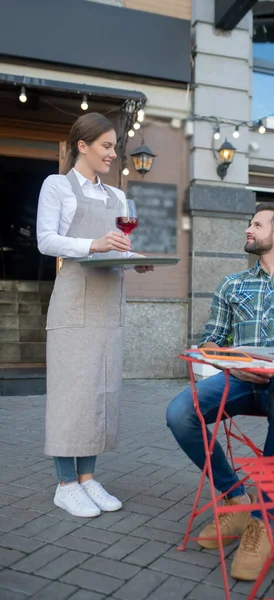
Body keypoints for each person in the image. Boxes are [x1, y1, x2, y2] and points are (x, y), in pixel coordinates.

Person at [167, 202, 274, 581]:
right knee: (180, 412)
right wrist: (236, 364)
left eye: (256, 224)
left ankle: (261, 519)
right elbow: (209, 342)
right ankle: (236, 496)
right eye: (248, 223)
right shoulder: (232, 284)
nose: (248, 229)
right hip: (239, 380)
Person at [37, 112, 153, 518]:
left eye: (114, 146)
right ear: (82, 146)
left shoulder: (118, 197)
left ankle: (88, 478)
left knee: (102, 392)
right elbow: (45, 239)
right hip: (73, 299)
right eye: (106, 145)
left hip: (108, 302)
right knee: (72, 393)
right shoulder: (57, 186)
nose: (113, 153)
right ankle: (65, 483)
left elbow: (117, 247)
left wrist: (134, 259)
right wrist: (95, 244)